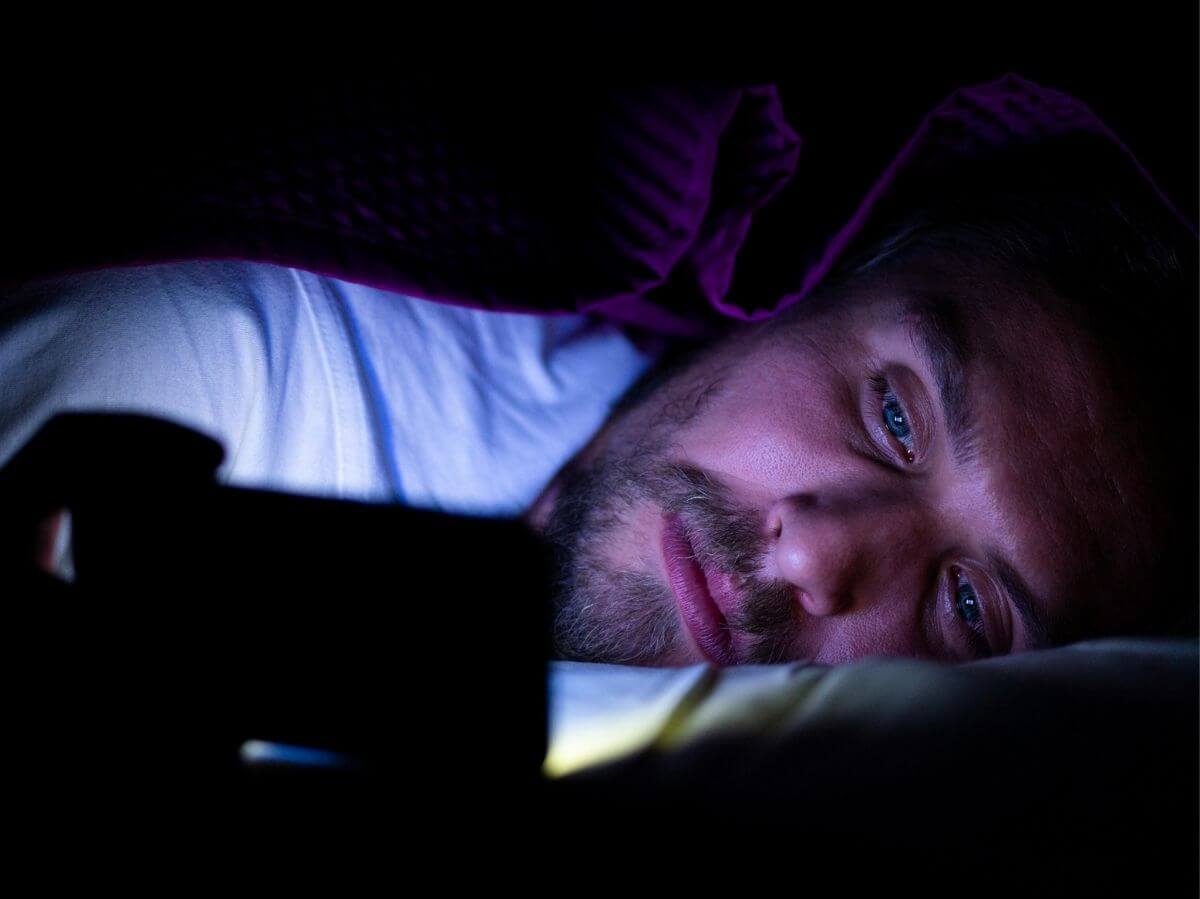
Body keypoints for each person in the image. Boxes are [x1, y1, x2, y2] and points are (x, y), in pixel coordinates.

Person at [1, 143, 1194, 670]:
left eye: (972, 606)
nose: (829, 550)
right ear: (796, 295)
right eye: (893, 416)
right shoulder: (251, 356)